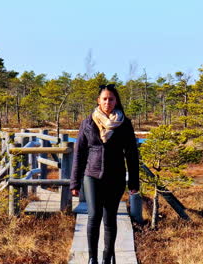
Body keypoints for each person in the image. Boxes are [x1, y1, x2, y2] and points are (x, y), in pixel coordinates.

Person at [70, 84, 139, 264]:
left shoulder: (124, 124)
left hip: (116, 178)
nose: (108, 102)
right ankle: (92, 258)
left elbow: (132, 155)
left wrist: (133, 183)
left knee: (110, 218)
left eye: (111, 99)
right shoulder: (87, 123)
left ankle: (107, 257)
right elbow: (79, 154)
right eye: (105, 98)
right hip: (92, 176)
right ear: (98, 101)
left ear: (116, 101)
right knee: (94, 215)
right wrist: (74, 183)